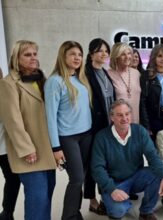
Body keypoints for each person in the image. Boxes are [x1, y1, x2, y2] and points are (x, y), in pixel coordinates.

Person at [0, 40, 57, 220]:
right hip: (29, 150)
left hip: (46, 147)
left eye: (34, 54)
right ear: (16, 58)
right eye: (27, 54)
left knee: (48, 193)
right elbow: (12, 121)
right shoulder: (9, 84)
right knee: (37, 197)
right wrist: (26, 149)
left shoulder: (42, 79)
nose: (33, 58)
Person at [91, 99, 163, 220]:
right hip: (114, 182)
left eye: (127, 114)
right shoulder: (102, 137)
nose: (125, 118)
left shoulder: (139, 131)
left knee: (157, 174)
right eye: (119, 115)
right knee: (118, 210)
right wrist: (112, 190)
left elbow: (152, 156)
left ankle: (146, 211)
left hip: (135, 176)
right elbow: (97, 168)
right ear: (112, 117)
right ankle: (113, 202)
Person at [45, 41, 93, 220]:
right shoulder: (54, 82)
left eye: (80, 55)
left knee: (82, 177)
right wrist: (56, 148)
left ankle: (76, 211)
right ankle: (69, 216)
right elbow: (50, 117)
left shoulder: (81, 79)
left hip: (86, 135)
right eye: (72, 54)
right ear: (62, 56)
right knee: (76, 179)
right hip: (68, 138)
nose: (77, 58)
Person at [84, 38, 114, 215]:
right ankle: (91, 200)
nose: (103, 54)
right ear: (91, 54)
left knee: (106, 163)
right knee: (92, 164)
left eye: (105, 51)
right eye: (99, 51)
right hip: (94, 126)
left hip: (108, 125)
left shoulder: (105, 71)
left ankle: (105, 196)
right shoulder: (86, 73)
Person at [108, 42, 147, 127]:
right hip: (119, 123)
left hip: (136, 122)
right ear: (116, 56)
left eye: (129, 53)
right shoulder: (108, 74)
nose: (127, 57)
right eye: (123, 54)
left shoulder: (136, 73)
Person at [0, 66, 21, 220]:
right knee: (12, 179)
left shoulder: (6, 90)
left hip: (5, 148)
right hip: (4, 147)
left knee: (13, 179)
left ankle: (7, 212)